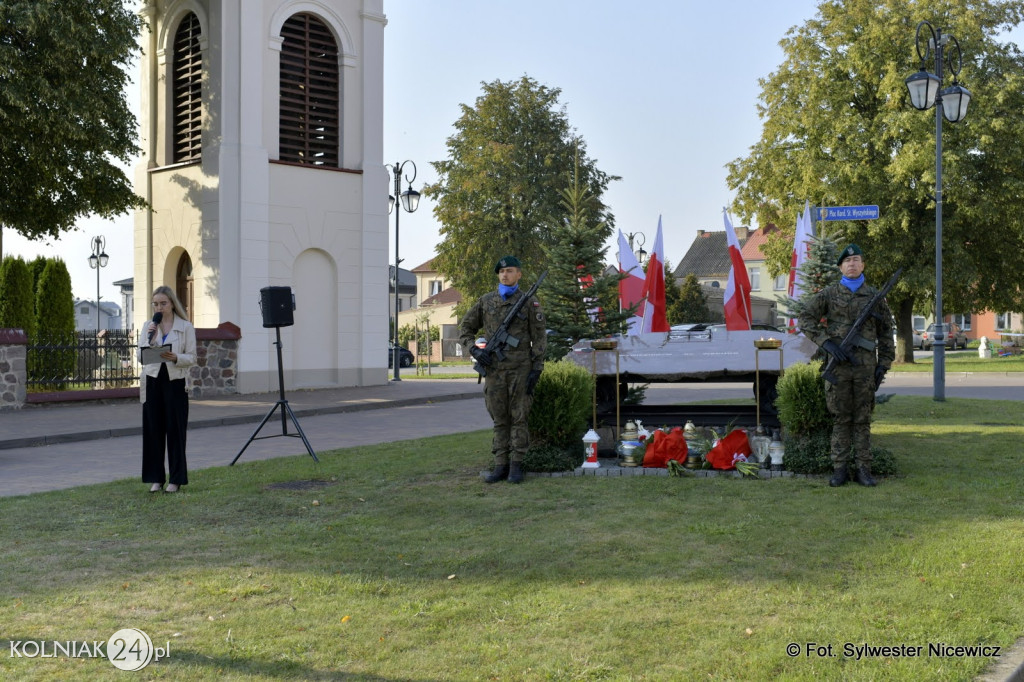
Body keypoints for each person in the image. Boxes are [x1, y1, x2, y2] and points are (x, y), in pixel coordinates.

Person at [798, 244, 895, 487]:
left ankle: (864, 470)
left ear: (863, 265)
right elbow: (805, 318)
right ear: (841, 266)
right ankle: (839, 469)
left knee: (862, 419)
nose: (852, 263)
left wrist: (883, 363)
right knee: (841, 419)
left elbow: (886, 332)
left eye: (856, 259)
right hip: (838, 367)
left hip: (865, 368)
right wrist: (827, 344)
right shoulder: (829, 294)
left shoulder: (875, 297)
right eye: (847, 260)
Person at [459, 256, 546, 484]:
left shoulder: (529, 302)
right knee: (499, 419)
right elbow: (465, 329)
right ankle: (500, 465)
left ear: (519, 274)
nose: (505, 275)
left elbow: (539, 338)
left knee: (519, 417)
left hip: (520, 370)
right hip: (494, 370)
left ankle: (516, 465)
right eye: (501, 272)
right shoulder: (486, 301)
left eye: (509, 271)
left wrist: (536, 368)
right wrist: (475, 351)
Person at [138, 286, 196, 493]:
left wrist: (177, 358)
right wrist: (152, 340)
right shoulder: (149, 326)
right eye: (156, 304)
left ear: (172, 303)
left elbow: (192, 357)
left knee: (175, 431)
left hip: (175, 382)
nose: (159, 307)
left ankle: (176, 479)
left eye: (163, 303)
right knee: (153, 432)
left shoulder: (185, 327)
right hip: (152, 382)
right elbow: (140, 356)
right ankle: (156, 478)